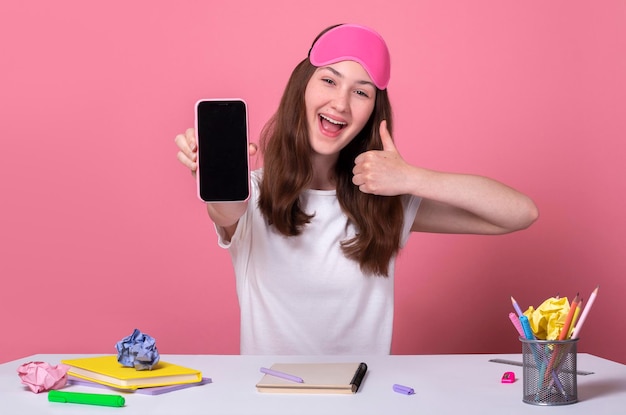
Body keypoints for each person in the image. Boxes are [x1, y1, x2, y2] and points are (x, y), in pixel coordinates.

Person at [175, 24, 539, 355]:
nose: (340, 103)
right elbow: (225, 210)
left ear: (372, 113)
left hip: (365, 400)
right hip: (270, 399)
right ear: (302, 87)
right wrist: (214, 173)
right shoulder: (252, 193)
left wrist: (411, 178)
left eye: (360, 92)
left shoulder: (384, 203)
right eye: (329, 81)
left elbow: (520, 213)